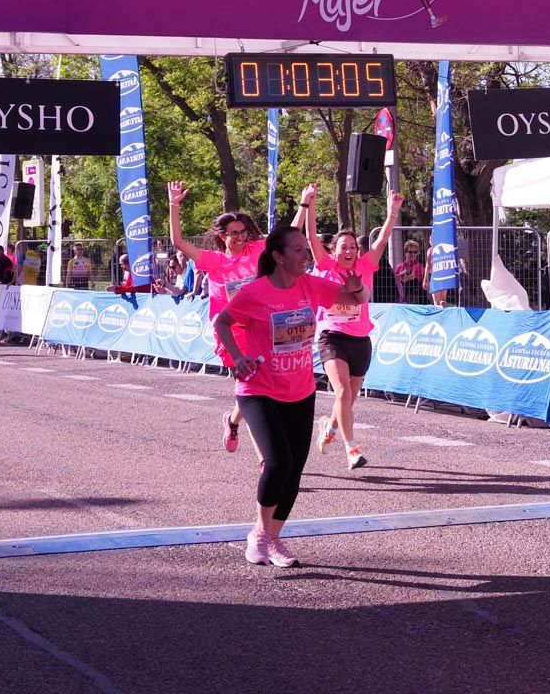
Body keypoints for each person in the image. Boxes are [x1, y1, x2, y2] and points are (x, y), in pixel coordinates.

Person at [214, 224, 367, 567]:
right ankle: (261, 535)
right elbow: (222, 323)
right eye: (297, 250)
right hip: (258, 390)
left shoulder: (310, 285)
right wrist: (237, 358)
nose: (305, 254)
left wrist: (356, 288)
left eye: (305, 249)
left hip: (300, 391)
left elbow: (352, 301)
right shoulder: (255, 292)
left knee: (295, 469)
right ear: (279, 257)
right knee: (278, 462)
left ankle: (270, 539)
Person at [307, 186, 403, 470]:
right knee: (342, 394)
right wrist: (309, 204)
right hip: (331, 337)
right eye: (343, 247)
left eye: (352, 247)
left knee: (349, 399)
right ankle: (352, 450)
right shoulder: (324, 265)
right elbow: (311, 238)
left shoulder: (365, 265)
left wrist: (392, 213)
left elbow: (384, 239)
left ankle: (329, 429)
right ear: (334, 251)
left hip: (360, 339)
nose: (348, 251)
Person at [167, 180, 266, 454]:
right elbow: (178, 242)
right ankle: (266, 463)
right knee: (254, 390)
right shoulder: (214, 261)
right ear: (222, 236)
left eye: (243, 232)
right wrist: (174, 205)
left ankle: (232, 421)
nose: (240, 237)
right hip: (231, 337)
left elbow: (290, 232)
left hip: (259, 330)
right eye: (234, 233)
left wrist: (305, 204)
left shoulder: (256, 251)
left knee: (257, 388)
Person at [394, 238, 429, 305]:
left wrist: (403, 275)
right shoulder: (400, 266)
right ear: (405, 252)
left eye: (415, 252)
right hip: (401, 300)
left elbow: (412, 276)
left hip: (417, 300)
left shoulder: (419, 266)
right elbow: (396, 279)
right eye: (410, 252)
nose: (413, 254)